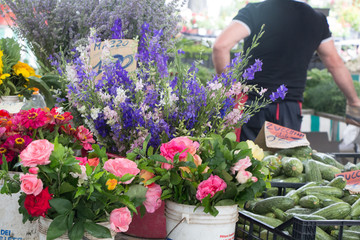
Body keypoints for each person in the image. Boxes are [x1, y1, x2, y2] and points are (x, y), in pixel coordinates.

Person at [212, 0, 360, 141]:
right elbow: (335, 64)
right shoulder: (316, 19)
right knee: (285, 165)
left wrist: (229, 90)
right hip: (289, 108)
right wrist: (354, 102)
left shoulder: (255, 11)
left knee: (246, 162)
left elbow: (221, 46)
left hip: (251, 104)